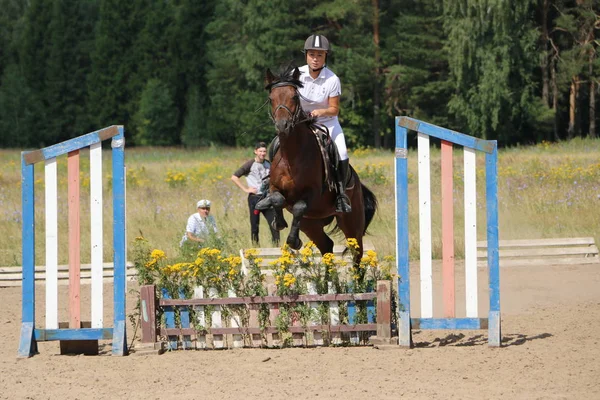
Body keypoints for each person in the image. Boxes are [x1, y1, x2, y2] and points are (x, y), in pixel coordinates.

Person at [298, 34, 352, 213]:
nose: (315, 59)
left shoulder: (332, 79)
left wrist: (321, 111)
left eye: (319, 55)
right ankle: (269, 186)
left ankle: (341, 195)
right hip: (302, 124)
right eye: (312, 54)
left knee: (342, 153)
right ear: (306, 55)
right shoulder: (295, 75)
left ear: (325, 56)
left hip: (327, 124)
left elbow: (334, 109)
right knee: (278, 144)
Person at [231, 142, 280, 247]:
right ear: (256, 152)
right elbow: (234, 177)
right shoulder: (250, 164)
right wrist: (246, 189)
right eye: (260, 151)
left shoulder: (268, 164)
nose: (263, 153)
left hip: (267, 199)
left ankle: (277, 248)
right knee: (255, 225)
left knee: (274, 224)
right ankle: (256, 249)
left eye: (264, 151)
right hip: (255, 199)